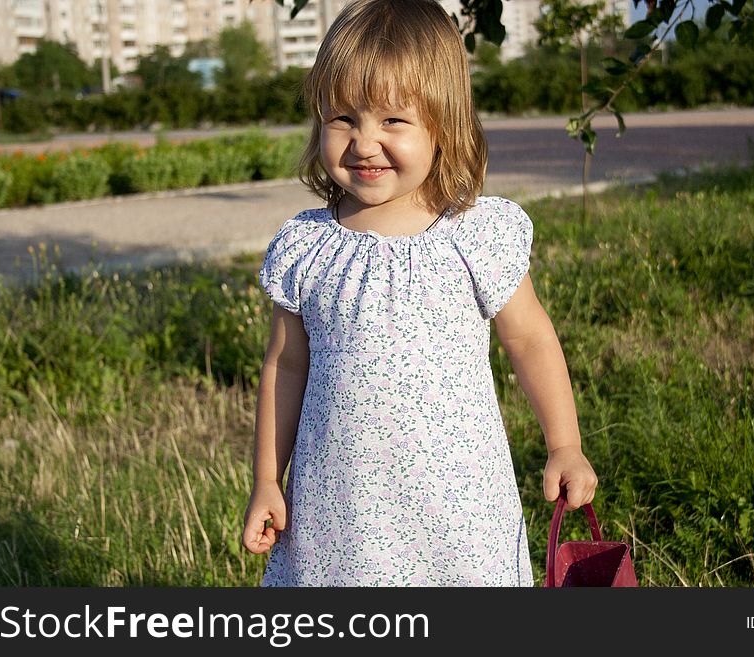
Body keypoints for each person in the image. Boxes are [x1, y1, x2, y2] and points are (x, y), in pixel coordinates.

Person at [241, 0, 597, 586]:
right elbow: (285, 364)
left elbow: (529, 338)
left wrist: (565, 445)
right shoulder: (308, 248)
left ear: (443, 124)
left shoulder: (474, 236)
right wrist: (266, 482)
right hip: (340, 513)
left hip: (459, 508)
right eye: (343, 119)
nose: (363, 142)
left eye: (392, 121)